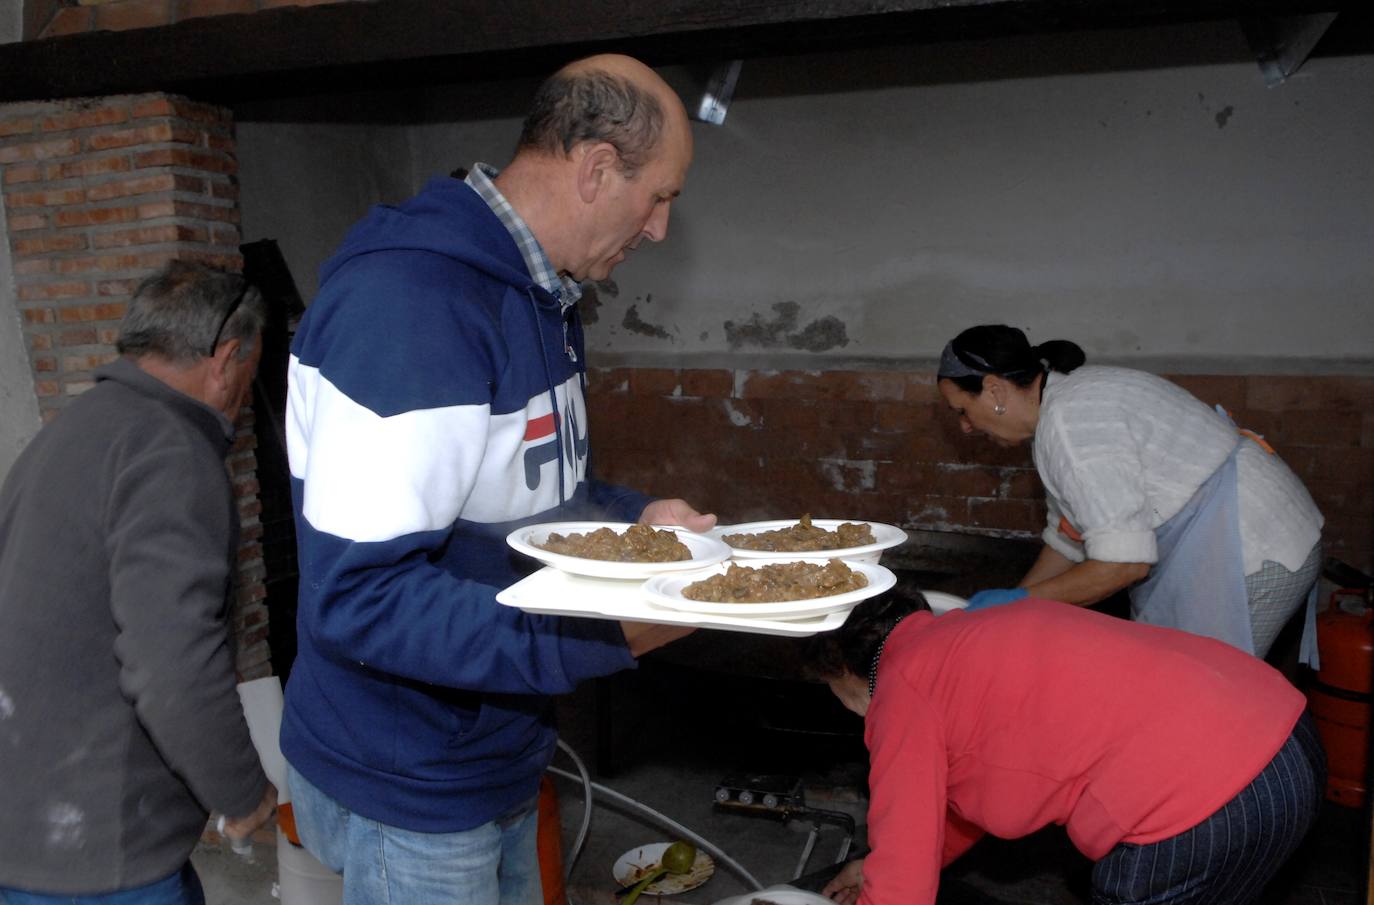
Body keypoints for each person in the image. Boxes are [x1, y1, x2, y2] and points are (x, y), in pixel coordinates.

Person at [281, 53, 715, 903]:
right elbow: (360, 596)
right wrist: (596, 635)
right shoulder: (409, 307)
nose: (660, 227)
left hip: (498, 747)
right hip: (410, 786)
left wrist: (636, 518)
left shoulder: (541, 295)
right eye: (660, 195)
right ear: (595, 168)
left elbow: (529, 491)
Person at [0, 262, 278, 904]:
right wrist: (241, 790)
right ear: (227, 357)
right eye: (249, 376)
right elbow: (170, 662)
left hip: (28, 825)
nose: (241, 399)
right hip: (99, 850)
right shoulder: (171, 451)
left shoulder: (70, 432)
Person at [811, 593, 1326, 905]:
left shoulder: (902, 688)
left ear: (840, 668)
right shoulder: (962, 636)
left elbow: (901, 894)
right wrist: (880, 862)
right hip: (1286, 741)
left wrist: (887, 879)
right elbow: (938, 812)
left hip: (1200, 808)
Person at [935, 324, 1323, 659]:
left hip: (1255, 547)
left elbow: (1123, 564)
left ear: (994, 390)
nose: (966, 427)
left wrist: (1023, 603)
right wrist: (1014, 602)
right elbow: (1070, 537)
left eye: (962, 410)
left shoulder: (1072, 425)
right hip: (1229, 536)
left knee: (1207, 691)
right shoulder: (1061, 407)